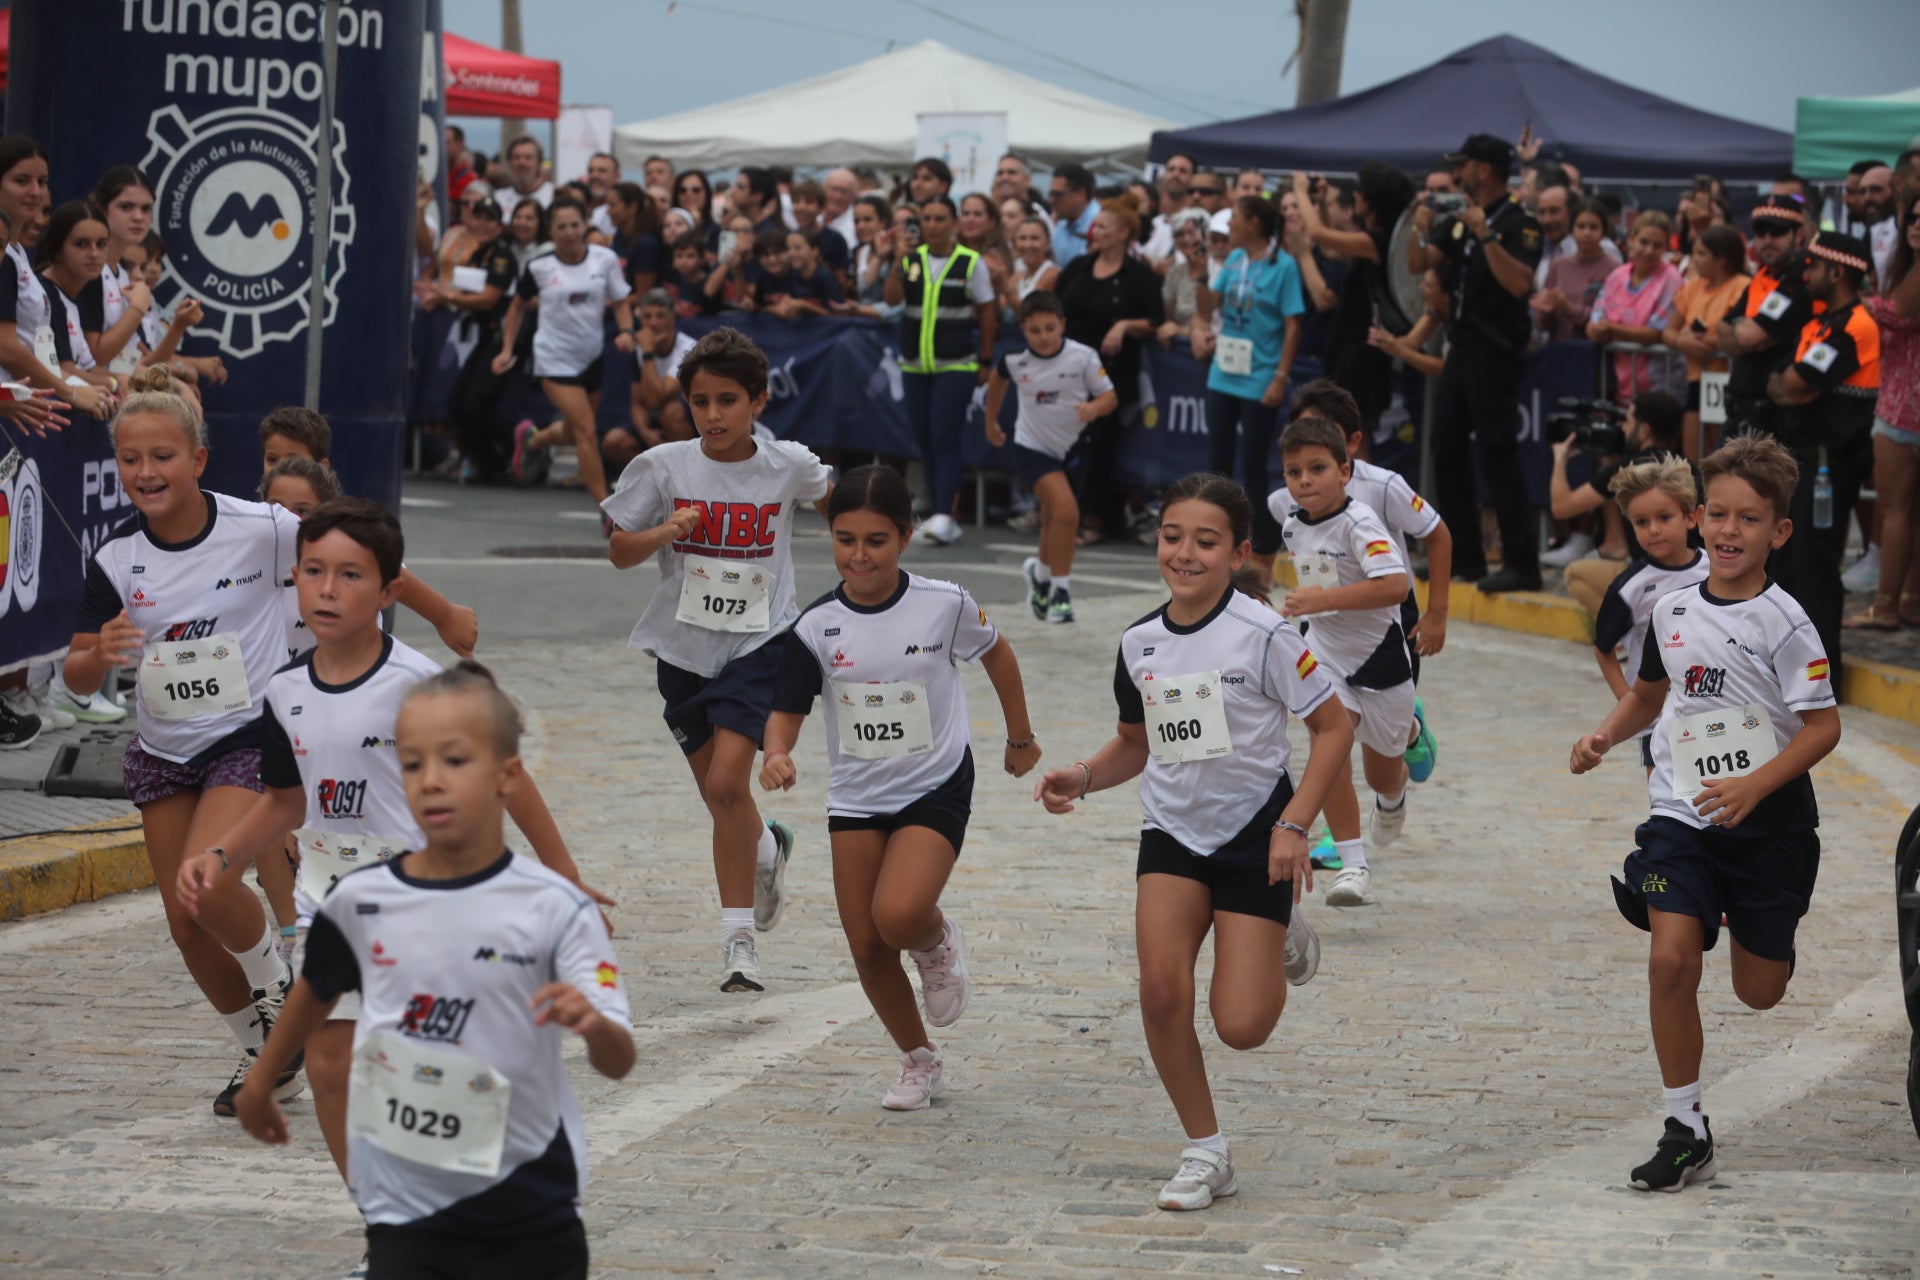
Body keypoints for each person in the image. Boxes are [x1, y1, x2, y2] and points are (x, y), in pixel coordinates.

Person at [180, 500, 604, 1210]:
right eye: (312, 571)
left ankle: (472, 1216)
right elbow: (285, 801)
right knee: (331, 1068)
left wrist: (565, 876)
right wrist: (221, 855)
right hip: (336, 908)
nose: (326, 589)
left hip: (433, 906)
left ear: (390, 591)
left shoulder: (421, 685)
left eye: (350, 575)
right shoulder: (284, 691)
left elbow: (509, 776)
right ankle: (390, 1230)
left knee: (432, 1077)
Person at [235, 661, 634, 1280]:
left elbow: (618, 1059)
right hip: (406, 1210)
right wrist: (262, 1079)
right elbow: (315, 991)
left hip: (530, 1210)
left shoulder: (557, 908)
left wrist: (594, 1026)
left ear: (507, 776)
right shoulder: (360, 902)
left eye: (455, 761)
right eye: (413, 763)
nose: (430, 782)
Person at [1033, 473, 1352, 1212]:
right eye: (1173, 537)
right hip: (1172, 835)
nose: (1185, 553)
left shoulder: (1266, 635)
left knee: (1241, 1027)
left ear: (1238, 552)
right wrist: (1081, 776)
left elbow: (1335, 729)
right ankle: (1207, 1149)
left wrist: (1295, 825)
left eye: (1205, 542)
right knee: (1161, 991)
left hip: (1256, 838)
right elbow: (1134, 747)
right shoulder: (1139, 642)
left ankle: (1279, 930)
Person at [1569, 435, 1840, 1194]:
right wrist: (1604, 734)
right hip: (1681, 811)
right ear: (1696, 519)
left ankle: (1738, 917)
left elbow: (1824, 727)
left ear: (1777, 532)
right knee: (1669, 959)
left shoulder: (1786, 624)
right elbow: (1650, 697)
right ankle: (1685, 1128)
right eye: (1716, 514)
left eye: (1748, 519)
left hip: (1770, 822)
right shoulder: (1672, 609)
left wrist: (1756, 786)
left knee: (1759, 991)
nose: (1728, 530)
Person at [60, 370, 305, 1115]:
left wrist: (441, 612)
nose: (145, 473)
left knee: (208, 883)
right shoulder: (114, 558)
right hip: (165, 753)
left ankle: (281, 990)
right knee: (184, 923)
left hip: (247, 734)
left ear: (198, 460)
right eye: (131, 460)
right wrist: (97, 655)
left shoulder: (263, 527)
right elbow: (72, 682)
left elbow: (368, 556)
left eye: (162, 456)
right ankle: (268, 1055)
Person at [762, 465, 1039, 1110]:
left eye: (877, 540)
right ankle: (919, 1059)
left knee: (900, 915)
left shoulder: (946, 603)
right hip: (857, 797)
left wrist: (1020, 739)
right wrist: (775, 751)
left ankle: (937, 941)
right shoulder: (815, 626)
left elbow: (998, 654)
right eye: (846, 539)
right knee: (865, 943)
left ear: (906, 538)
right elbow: (788, 708)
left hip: (934, 782)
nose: (860, 555)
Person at [602, 328, 832, 992]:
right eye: (700, 401)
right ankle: (766, 848)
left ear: (757, 400)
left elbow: (835, 500)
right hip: (682, 650)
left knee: (731, 785)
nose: (714, 415)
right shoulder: (663, 467)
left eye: (728, 400)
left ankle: (739, 943)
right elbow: (619, 551)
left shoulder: (787, 465)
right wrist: (664, 531)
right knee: (720, 796)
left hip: (762, 644)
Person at [1274, 416, 1421, 907]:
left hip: (1381, 663)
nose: (1304, 481)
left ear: (1344, 470)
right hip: (1325, 656)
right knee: (1328, 744)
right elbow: (1314, 586)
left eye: (1316, 469)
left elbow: (1395, 587)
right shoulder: (1292, 524)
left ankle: (1395, 788)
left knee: (1383, 773)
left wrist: (1320, 599)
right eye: (1294, 472)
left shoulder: (1362, 523)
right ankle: (1353, 864)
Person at [1408, 133, 1545, 593]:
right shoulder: (1458, 220)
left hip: (1495, 350)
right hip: (1461, 346)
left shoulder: (1519, 221)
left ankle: (1521, 562)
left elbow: (1519, 283)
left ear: (1484, 169)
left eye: (1463, 165)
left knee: (1497, 453)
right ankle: (1465, 556)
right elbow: (1417, 263)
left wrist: (1485, 232)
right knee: (1445, 448)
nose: (1457, 173)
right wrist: (1419, 226)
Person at [254, 406, 482, 658]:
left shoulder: (341, 529)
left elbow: (388, 571)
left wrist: (444, 615)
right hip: (280, 679)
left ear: (322, 466)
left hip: (347, 671)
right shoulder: (252, 524)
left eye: (293, 459)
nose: (281, 468)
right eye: (272, 459)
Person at [1764, 232, 1880, 683]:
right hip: (1801, 459)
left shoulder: (1857, 325)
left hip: (1832, 461)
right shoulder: (1820, 323)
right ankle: (1787, 669)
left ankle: (1822, 676)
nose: (1804, 272)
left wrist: (1797, 387)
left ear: (1837, 271)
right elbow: (1783, 382)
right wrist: (1797, 387)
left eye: (1812, 265)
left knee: (1815, 565)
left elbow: (1794, 383)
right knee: (1787, 562)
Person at [984, 291, 1118, 625]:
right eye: (1034, 330)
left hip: (1072, 449)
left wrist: (1093, 408)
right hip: (1032, 447)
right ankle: (1061, 593)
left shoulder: (1083, 357)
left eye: (1049, 328)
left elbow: (1110, 397)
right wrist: (991, 422)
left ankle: (1041, 579)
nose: (1043, 337)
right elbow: (997, 381)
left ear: (1063, 325)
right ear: (1023, 330)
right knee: (1067, 512)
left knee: (1052, 518)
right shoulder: (1015, 359)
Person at [495, 199, 636, 512]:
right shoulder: (539, 266)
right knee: (586, 429)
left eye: (575, 224)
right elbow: (517, 305)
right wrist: (507, 348)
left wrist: (627, 332)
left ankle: (535, 440)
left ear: (585, 224)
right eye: (561, 226)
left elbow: (621, 300)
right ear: (551, 230)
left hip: (592, 357)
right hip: (553, 358)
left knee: (576, 430)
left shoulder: (605, 259)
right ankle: (607, 510)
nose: (570, 232)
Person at [1191, 196, 1303, 574]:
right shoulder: (1234, 261)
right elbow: (1208, 308)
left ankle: (1262, 543)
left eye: (1236, 218)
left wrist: (1280, 376)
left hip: (1260, 375)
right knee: (1218, 460)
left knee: (1254, 464)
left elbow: (1292, 326)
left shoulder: (1283, 266)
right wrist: (1199, 275)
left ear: (1254, 223)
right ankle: (1214, 534)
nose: (1231, 225)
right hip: (1224, 370)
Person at [883, 195, 997, 546]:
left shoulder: (970, 262)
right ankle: (937, 510)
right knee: (925, 439)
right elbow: (891, 299)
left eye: (940, 218)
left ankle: (947, 514)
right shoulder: (912, 260)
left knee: (944, 436)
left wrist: (986, 359)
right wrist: (898, 262)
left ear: (954, 223)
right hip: (916, 365)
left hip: (956, 363)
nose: (932, 225)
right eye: (927, 219)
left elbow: (988, 310)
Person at [1588, 457, 1709, 775]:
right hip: (1657, 721)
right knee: (1666, 805)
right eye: (1642, 522)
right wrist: (1627, 700)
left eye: (1664, 517)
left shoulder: (1716, 569)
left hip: (1714, 712)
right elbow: (1603, 649)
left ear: (1690, 518)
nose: (1654, 529)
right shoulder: (1630, 588)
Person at [1057, 195, 1164, 547]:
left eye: (1102, 226)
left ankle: (1094, 519)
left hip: (1111, 373)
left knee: (1099, 447)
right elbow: (1057, 308)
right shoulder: (1079, 267)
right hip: (1070, 368)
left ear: (1123, 233)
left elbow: (1154, 318)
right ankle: (1063, 514)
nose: (1094, 231)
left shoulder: (1139, 274)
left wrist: (1124, 326)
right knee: (1066, 443)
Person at [1293, 163, 1414, 440]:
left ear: (1373, 201)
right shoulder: (1367, 239)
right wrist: (1322, 204)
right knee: (1340, 431)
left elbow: (1316, 235)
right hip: (1348, 344)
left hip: (1362, 351)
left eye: (1361, 191)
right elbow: (1330, 249)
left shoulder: (1378, 242)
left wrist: (1301, 192)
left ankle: (1360, 484)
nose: (1356, 196)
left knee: (1352, 434)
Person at [1847, 190, 1920, 630]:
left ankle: (1887, 606)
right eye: (1912, 216)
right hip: (1898, 403)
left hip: (1900, 407)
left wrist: (1852, 298)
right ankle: (1907, 600)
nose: (1916, 224)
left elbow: (1893, 313)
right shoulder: (1903, 269)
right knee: (1906, 511)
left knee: (1895, 510)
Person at [1551, 390, 1696, 591]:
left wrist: (1559, 458)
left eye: (1627, 420)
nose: (1622, 428)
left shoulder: (1628, 468)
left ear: (1644, 430)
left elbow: (1561, 507)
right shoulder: (1687, 466)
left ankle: (1633, 622)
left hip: (1655, 577)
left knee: (1574, 574)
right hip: (1691, 574)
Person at [439, 197, 525, 485]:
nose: (482, 224)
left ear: (500, 226)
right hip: (483, 334)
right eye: (477, 218)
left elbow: (489, 299)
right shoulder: (478, 255)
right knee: (457, 404)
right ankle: (490, 463)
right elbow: (466, 295)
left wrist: (448, 297)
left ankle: (522, 444)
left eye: (489, 219)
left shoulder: (502, 256)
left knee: (477, 403)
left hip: (503, 336)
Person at [1716, 195, 1815, 441]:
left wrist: (1745, 335)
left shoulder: (1800, 278)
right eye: (1761, 232)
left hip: (1776, 422)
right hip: (1742, 415)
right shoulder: (1762, 276)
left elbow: (1747, 337)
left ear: (1798, 235)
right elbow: (1722, 331)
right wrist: (1745, 335)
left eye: (1778, 232)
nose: (1768, 240)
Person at [1662, 224, 1750, 458]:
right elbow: (1668, 331)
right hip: (1697, 380)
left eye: (1701, 253)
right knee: (1693, 460)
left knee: (1724, 458)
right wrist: (1682, 342)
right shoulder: (1693, 287)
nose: (1694, 260)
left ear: (1720, 259)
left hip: (1728, 381)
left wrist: (1712, 343)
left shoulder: (1742, 286)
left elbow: (1743, 335)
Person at [1589, 212, 1683, 402]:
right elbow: (1595, 320)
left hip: (1660, 385)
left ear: (1667, 247)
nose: (1649, 251)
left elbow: (1658, 334)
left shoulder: (1671, 279)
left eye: (1658, 246)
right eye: (1643, 242)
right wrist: (1596, 330)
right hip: (1619, 383)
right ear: (1631, 240)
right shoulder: (1617, 276)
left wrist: (1612, 329)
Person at [614, 287, 696, 467]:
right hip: (655, 419)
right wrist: (644, 432)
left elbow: (657, 398)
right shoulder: (639, 348)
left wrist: (648, 351)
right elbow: (637, 401)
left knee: (670, 411)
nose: (653, 323)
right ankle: (655, 476)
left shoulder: (688, 348)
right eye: (647, 316)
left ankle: (685, 474)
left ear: (672, 317)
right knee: (614, 442)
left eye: (660, 316)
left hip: (687, 423)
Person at [1534, 200, 1619, 344]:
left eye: (1593, 227)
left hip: (1593, 352)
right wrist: (1546, 310)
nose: (1586, 233)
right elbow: (1542, 324)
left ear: (1603, 231)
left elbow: (1608, 321)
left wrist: (1566, 307)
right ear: (1571, 229)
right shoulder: (1558, 265)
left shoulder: (1613, 268)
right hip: (1559, 350)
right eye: (1581, 226)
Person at [1532, 183, 1620, 291]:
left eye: (1554, 211)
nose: (1547, 220)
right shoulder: (1544, 249)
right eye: (1541, 212)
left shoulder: (1606, 250)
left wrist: (1566, 305)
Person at [603, 181, 663, 293]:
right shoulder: (619, 235)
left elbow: (642, 294)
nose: (608, 211)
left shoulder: (646, 244)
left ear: (632, 207)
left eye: (613, 205)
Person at [493, 135, 554, 222]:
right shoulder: (498, 198)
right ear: (509, 162)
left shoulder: (552, 196)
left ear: (539, 162)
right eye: (516, 157)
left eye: (528, 157)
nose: (522, 162)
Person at [1049, 163, 1097, 267]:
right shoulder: (1063, 223)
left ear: (1080, 194)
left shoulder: (1099, 224)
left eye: (1057, 195)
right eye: (1050, 194)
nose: (1051, 200)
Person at [674, 169, 719, 253]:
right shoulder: (668, 228)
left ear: (707, 194)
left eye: (696, 190)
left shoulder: (716, 231)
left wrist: (697, 227)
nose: (689, 194)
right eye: (682, 190)